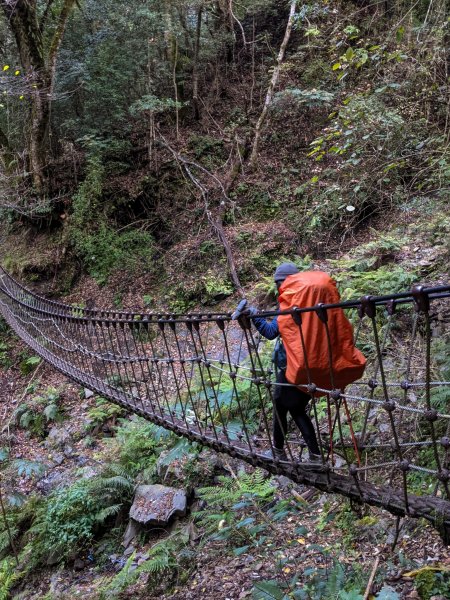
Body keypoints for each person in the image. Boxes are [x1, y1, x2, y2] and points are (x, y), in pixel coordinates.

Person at [239, 262, 321, 463]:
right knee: (294, 408)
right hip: (313, 365)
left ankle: (280, 452)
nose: (279, 288)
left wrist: (255, 316)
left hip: (291, 366)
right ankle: (312, 456)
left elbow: (270, 332)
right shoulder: (312, 302)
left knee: (281, 405)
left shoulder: (290, 305)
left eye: (279, 283)